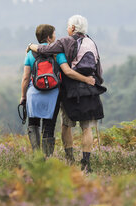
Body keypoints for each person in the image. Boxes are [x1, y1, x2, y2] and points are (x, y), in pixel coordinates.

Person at [27, 15, 105, 172]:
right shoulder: (91, 42)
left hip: (71, 91)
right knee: (87, 128)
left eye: (68, 26)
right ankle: (86, 163)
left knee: (66, 125)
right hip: (90, 90)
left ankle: (70, 160)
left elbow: (44, 49)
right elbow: (99, 69)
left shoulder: (65, 41)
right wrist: (92, 81)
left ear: (73, 28)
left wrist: (30, 46)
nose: (67, 29)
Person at [20, 24, 95, 157]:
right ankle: (47, 157)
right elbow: (67, 71)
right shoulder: (57, 53)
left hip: (33, 95)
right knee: (48, 126)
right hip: (53, 95)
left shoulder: (30, 54)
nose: (55, 36)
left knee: (33, 125)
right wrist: (86, 79)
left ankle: (37, 157)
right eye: (54, 34)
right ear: (49, 38)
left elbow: (26, 78)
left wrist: (23, 97)